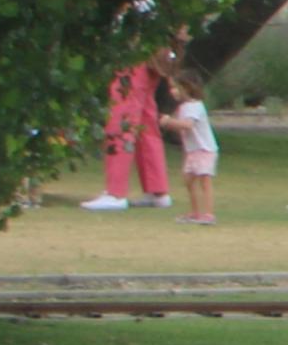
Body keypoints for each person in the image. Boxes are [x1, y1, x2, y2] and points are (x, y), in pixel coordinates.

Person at [89, 56, 169, 211]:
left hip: (134, 61)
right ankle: (157, 190)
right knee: (147, 127)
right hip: (150, 59)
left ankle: (116, 193)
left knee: (122, 121)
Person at [166, 70, 219, 224]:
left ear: (186, 88)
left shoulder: (195, 106)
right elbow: (180, 126)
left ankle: (209, 214)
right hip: (193, 151)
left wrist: (169, 122)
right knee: (188, 181)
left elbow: (188, 125)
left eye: (175, 87)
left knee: (204, 181)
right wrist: (168, 123)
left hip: (204, 149)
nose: (172, 91)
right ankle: (195, 213)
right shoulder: (183, 107)